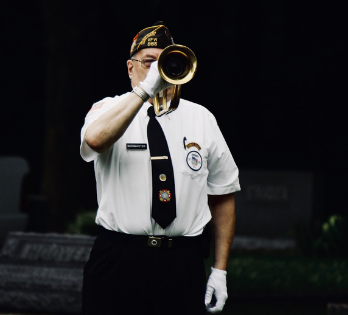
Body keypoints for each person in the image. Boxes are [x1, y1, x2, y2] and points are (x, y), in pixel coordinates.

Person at [80, 21, 240, 315]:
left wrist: (220, 270)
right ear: (130, 68)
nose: (157, 70)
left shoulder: (202, 118)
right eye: (148, 62)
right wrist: (145, 92)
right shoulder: (107, 109)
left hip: (181, 262)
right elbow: (95, 139)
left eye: (165, 61)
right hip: (119, 259)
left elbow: (223, 194)